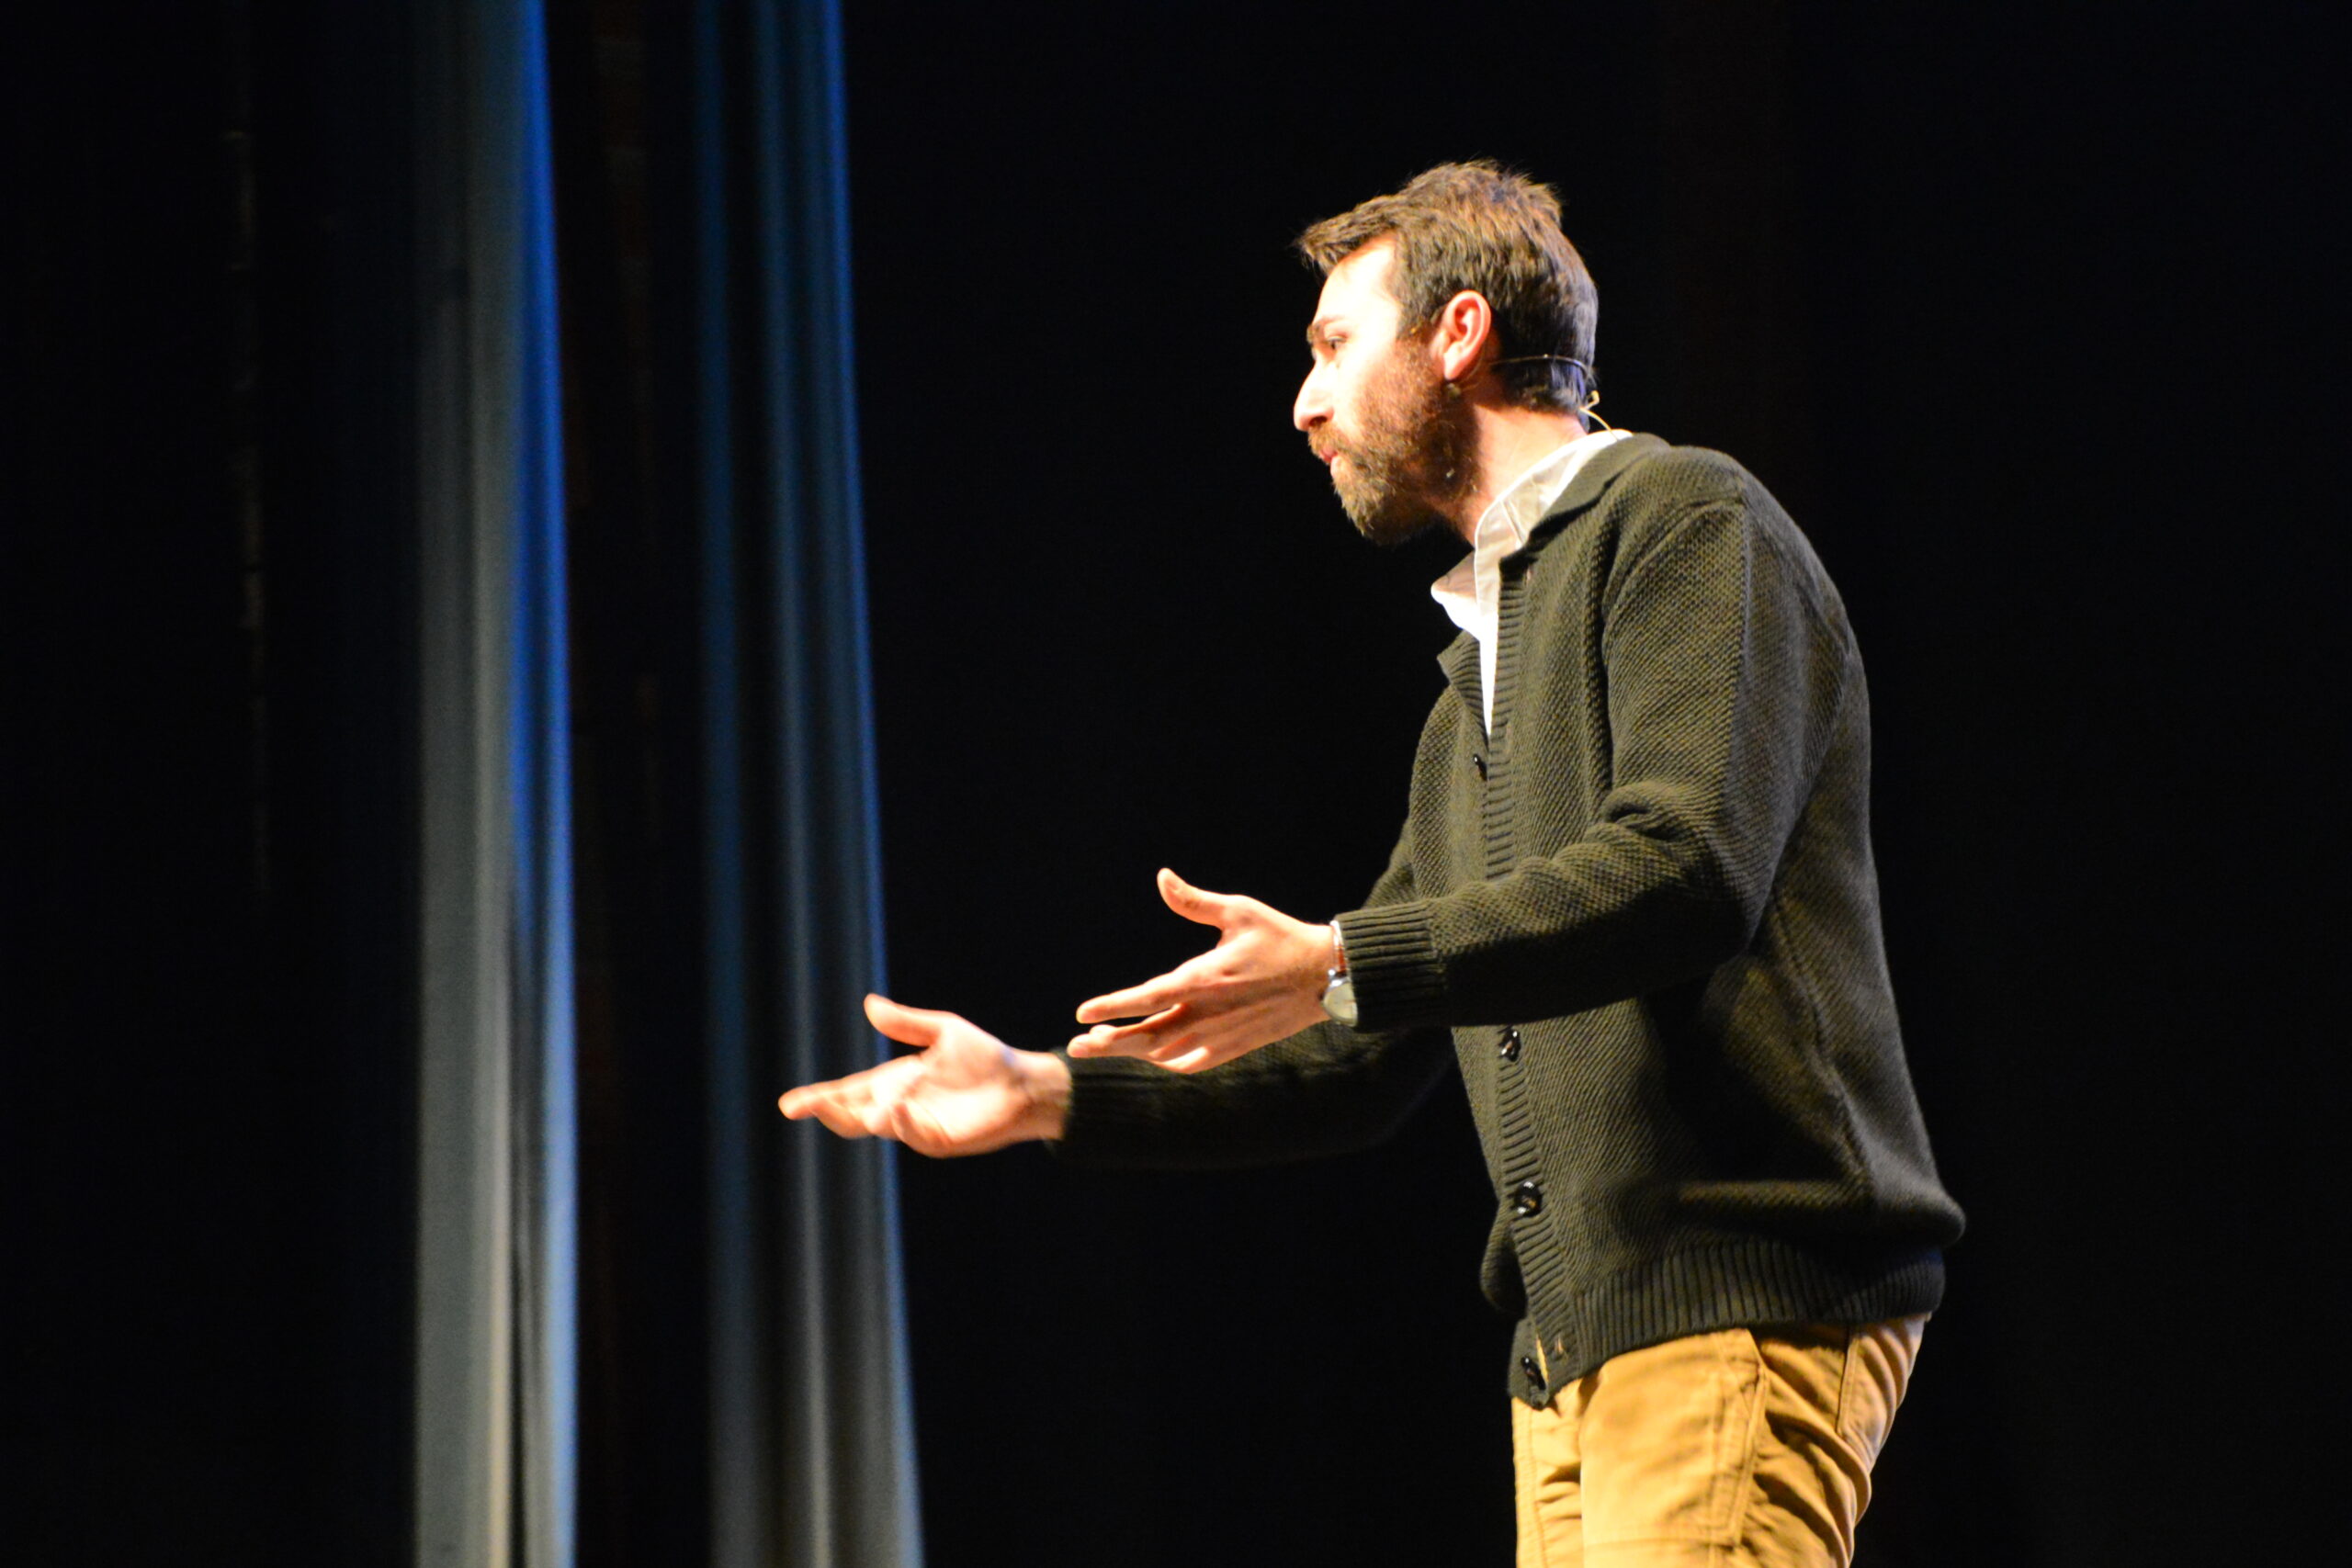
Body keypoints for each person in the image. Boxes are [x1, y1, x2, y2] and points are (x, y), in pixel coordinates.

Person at [781, 162, 1963, 1567]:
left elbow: (1688, 866)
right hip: (1580, 1341)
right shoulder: (1473, 690)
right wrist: (1044, 1093)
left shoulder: (1686, 522)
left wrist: (1342, 955)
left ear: (1458, 334)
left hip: (1735, 1286)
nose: (1304, 405)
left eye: (1335, 346)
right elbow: (1367, 1052)